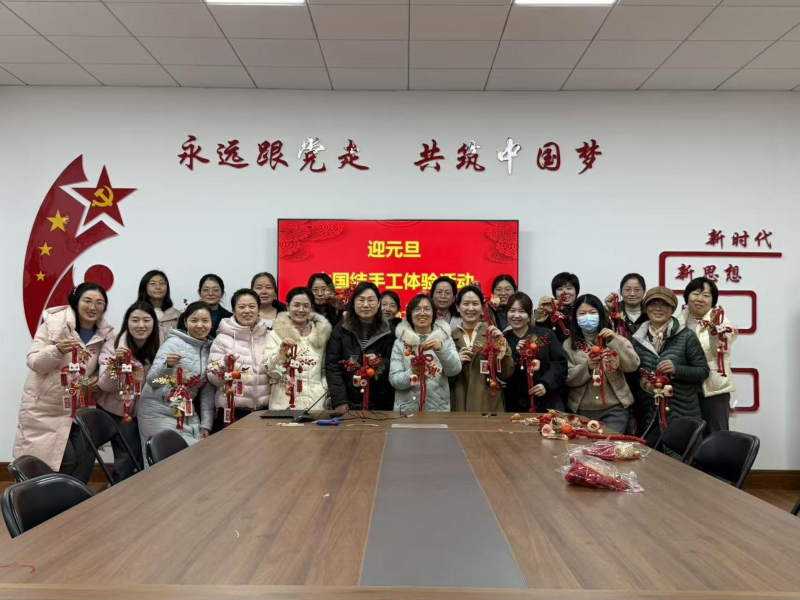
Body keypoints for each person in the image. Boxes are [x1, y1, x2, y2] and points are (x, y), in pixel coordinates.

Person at [13, 283, 115, 482]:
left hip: (75, 409)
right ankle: (50, 497)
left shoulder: (105, 334)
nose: (93, 307)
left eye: (99, 303)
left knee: (87, 455)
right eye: (87, 301)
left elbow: (103, 363)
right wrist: (57, 350)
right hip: (44, 408)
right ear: (76, 302)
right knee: (63, 461)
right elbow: (34, 363)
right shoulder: (54, 325)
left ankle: (75, 498)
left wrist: (97, 378)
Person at [631, 287, 709, 446]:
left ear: (672, 308)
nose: (658, 309)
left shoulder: (686, 336)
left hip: (681, 412)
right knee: (647, 457)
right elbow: (631, 379)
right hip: (647, 414)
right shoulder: (637, 339)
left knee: (679, 457)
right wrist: (632, 414)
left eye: (664, 304)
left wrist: (677, 370)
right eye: (653, 304)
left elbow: (703, 371)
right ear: (646, 308)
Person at [137, 301, 215, 455]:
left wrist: (206, 425)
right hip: (157, 412)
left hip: (186, 413)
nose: (200, 325)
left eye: (205, 320)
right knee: (170, 460)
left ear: (211, 323)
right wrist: (167, 365)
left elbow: (207, 392)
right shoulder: (173, 343)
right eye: (194, 320)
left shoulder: (210, 349)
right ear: (185, 322)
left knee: (198, 455)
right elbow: (151, 380)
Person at [97, 301, 159, 482]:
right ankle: (118, 491)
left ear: (154, 323)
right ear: (127, 322)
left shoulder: (161, 346)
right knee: (127, 456)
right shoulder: (113, 346)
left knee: (148, 454)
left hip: (147, 410)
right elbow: (105, 386)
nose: (141, 325)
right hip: (116, 410)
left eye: (146, 320)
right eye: (135, 320)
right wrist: (117, 363)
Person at [563, 294, 640, 434]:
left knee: (608, 443)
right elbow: (568, 378)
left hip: (615, 409)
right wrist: (587, 367)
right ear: (575, 317)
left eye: (592, 312)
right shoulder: (569, 345)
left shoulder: (614, 338)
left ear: (600, 314)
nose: (587, 317)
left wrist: (614, 340)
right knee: (585, 446)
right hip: (582, 410)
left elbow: (632, 365)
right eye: (582, 313)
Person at [677, 277, 737, 434]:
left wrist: (714, 331)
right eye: (696, 293)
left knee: (716, 434)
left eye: (706, 295)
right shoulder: (677, 322)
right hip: (685, 389)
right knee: (688, 435)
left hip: (713, 388)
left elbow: (721, 349)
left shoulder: (722, 321)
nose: (700, 299)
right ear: (687, 296)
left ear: (713, 300)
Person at [326, 282, 395, 412]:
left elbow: (394, 361)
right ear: (353, 303)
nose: (366, 305)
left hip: (381, 400)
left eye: (371, 300)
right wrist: (340, 401)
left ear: (379, 303)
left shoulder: (389, 330)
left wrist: (380, 363)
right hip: (348, 399)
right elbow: (332, 366)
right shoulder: (341, 329)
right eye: (361, 300)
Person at [207, 289, 271, 428]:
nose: (247, 311)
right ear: (233, 310)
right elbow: (213, 378)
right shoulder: (222, 339)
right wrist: (225, 364)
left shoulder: (269, 337)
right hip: (232, 411)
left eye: (252, 306)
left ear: (259, 309)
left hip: (264, 411)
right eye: (241, 307)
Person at [389, 294, 461, 412]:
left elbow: (454, 370)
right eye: (417, 309)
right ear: (410, 314)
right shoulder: (400, 343)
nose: (422, 313)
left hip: (438, 408)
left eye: (427, 309)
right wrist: (411, 372)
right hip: (406, 410)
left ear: (433, 314)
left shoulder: (444, 340)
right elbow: (394, 380)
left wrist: (441, 349)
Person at [263, 287, 332, 410]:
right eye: (296, 305)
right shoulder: (275, 334)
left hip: (315, 403)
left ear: (311, 308)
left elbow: (325, 370)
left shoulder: (322, 336)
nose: (301, 309)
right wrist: (281, 351)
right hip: (283, 403)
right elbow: (270, 371)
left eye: (306, 306)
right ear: (287, 306)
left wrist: (323, 389)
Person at [451, 285, 515, 412]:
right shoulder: (450, 338)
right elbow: (443, 377)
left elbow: (506, 373)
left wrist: (502, 346)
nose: (470, 308)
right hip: (458, 402)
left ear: (482, 308)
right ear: (458, 308)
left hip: (488, 404)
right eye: (466, 304)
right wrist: (455, 363)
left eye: (475, 304)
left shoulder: (494, 335)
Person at [503, 292, 567, 413]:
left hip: (548, 401)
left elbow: (559, 363)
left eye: (522, 311)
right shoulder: (503, 340)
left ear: (529, 315)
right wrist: (516, 355)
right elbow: (505, 374)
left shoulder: (546, 334)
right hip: (516, 404)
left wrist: (546, 384)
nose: (516, 315)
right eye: (512, 311)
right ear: (506, 314)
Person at [137, 270, 181, 342]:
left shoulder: (177, 315)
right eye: (152, 283)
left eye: (161, 283)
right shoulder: (136, 313)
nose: (158, 287)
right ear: (144, 287)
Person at [536, 272, 580, 343]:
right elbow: (541, 336)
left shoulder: (581, 309)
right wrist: (541, 314)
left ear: (576, 291)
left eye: (569, 288)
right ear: (554, 292)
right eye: (560, 289)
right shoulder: (548, 310)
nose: (565, 292)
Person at [198, 274, 231, 338]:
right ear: (199, 293)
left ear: (222, 294)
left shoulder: (230, 318)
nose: (210, 293)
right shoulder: (188, 315)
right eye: (206, 290)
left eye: (215, 290)